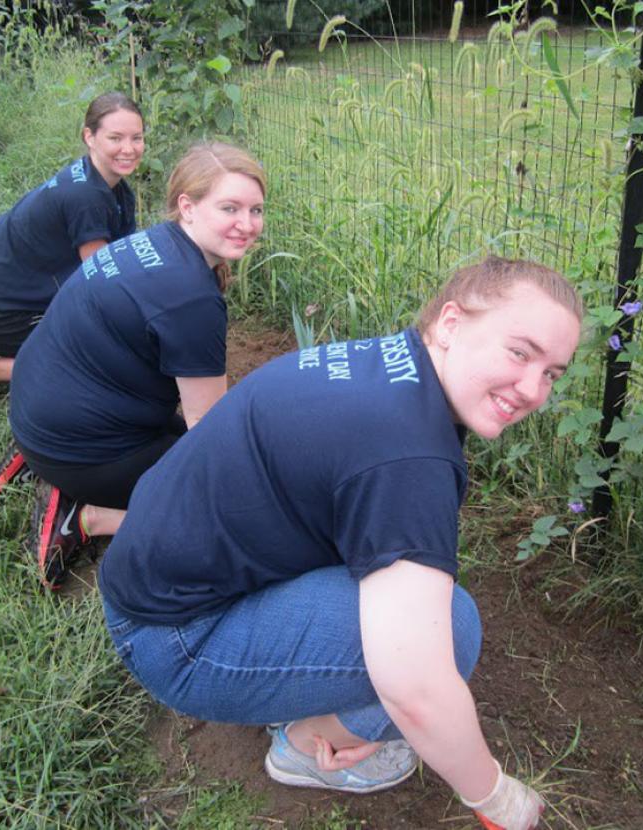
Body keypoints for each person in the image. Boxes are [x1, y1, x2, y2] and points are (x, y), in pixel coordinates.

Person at [98, 257, 583, 829]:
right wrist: (495, 796)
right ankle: (306, 746)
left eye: (552, 372)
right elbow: (417, 688)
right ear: (451, 323)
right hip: (178, 639)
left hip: (155, 579)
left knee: (416, 601)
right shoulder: (409, 454)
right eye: (520, 352)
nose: (533, 389)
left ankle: (295, 690)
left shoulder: (390, 367)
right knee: (450, 632)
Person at [7, 141, 267, 590]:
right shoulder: (191, 299)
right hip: (75, 447)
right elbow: (208, 430)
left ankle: (60, 469)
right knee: (238, 511)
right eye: (230, 208)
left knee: (193, 439)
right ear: (187, 206)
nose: (247, 225)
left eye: (256, 210)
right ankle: (88, 516)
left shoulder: (154, 242)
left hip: (39, 411)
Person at [0, 91, 143, 387]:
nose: (128, 148)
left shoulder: (111, 187)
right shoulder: (86, 197)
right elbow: (103, 281)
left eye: (136, 138)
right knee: (94, 359)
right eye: (115, 138)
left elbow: (124, 258)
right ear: (89, 137)